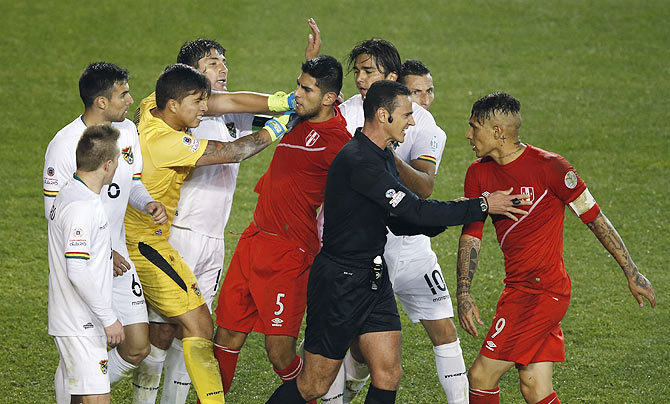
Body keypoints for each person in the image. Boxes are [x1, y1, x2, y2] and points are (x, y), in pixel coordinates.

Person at [266, 80, 530, 404]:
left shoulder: (382, 156)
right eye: (406, 114)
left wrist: (448, 216)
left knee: (388, 374)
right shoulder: (359, 162)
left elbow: (401, 218)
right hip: (340, 283)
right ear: (383, 115)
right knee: (314, 386)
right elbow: (415, 211)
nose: (412, 121)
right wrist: (481, 205)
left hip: (374, 277)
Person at [456, 92, 656, 404]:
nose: (468, 134)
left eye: (474, 126)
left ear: (498, 131)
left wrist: (632, 271)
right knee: (535, 387)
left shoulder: (551, 167)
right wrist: (464, 293)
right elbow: (472, 236)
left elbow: (595, 218)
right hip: (517, 290)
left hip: (542, 292)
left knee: (482, 376)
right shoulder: (477, 173)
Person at [123, 63, 296, 404]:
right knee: (192, 328)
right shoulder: (168, 142)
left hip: (147, 237)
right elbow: (233, 152)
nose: (205, 107)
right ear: (174, 104)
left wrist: (279, 101)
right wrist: (278, 126)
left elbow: (224, 103)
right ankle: (86, 386)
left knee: (183, 329)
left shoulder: (151, 106)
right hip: (147, 243)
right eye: (197, 101)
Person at [316, 37, 467, 404]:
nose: (360, 79)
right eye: (358, 71)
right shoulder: (343, 111)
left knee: (442, 329)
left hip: (409, 244)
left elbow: (425, 188)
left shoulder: (422, 123)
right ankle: (347, 391)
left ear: (391, 77)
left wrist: (383, 153)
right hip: (355, 248)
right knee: (348, 349)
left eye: (369, 71)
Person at [212, 55, 351, 399]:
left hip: (290, 254)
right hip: (253, 239)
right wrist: (312, 62)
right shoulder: (293, 120)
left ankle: (314, 395)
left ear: (330, 98)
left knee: (279, 352)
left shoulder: (340, 143)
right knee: (225, 337)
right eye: (298, 86)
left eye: (305, 90)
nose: (296, 95)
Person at [43, 62, 168, 401]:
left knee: (137, 346)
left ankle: (81, 377)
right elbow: (55, 212)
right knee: (86, 341)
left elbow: (134, 182)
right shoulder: (64, 145)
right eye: (123, 94)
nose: (130, 100)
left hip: (119, 259)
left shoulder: (126, 131)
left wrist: (148, 204)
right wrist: (99, 247)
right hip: (86, 257)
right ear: (101, 101)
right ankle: (78, 383)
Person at [47, 124, 125, 404]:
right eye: (116, 160)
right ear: (107, 165)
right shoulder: (82, 207)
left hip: (75, 319)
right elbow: (77, 270)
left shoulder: (71, 191)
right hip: (81, 323)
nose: (118, 165)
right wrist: (109, 318)